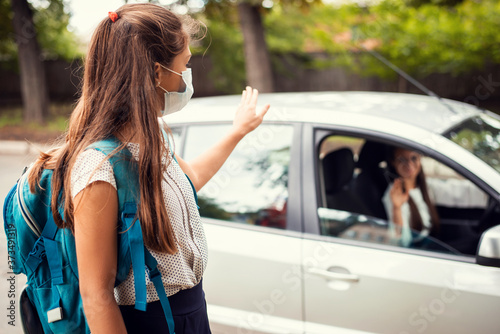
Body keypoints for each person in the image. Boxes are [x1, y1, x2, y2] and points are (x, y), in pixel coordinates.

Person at [26, 4, 269, 333]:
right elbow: (96, 293)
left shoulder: (152, 140)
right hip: (151, 322)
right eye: (185, 65)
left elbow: (191, 178)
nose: (187, 77)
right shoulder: (97, 168)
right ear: (156, 73)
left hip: (191, 312)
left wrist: (238, 131)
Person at [382, 147, 440, 247]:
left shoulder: (424, 186)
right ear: (393, 162)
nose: (409, 164)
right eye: (402, 159)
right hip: (416, 248)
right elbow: (402, 242)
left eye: (414, 158)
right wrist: (397, 208)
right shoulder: (394, 194)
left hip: (430, 241)